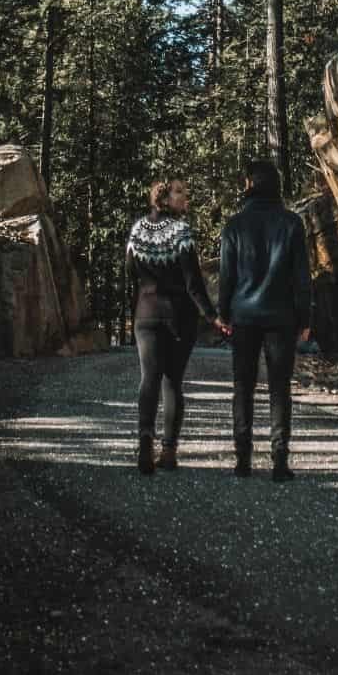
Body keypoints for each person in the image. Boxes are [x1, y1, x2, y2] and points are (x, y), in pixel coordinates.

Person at [217, 159, 311, 482]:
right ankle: (279, 461)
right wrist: (305, 317)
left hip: (243, 316)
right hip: (281, 318)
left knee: (242, 386)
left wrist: (223, 314)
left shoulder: (233, 226)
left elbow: (227, 276)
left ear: (249, 185)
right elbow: (301, 277)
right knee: (279, 388)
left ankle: (242, 459)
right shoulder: (292, 224)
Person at [126, 177, 224, 475]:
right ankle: (168, 451)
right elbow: (194, 283)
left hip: (146, 314)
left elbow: (130, 272)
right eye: (180, 192)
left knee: (149, 378)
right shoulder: (182, 232)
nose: (186, 198)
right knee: (172, 383)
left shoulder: (137, 230)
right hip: (178, 317)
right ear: (164, 198)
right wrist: (212, 316)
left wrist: (140, 304)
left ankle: (145, 440)